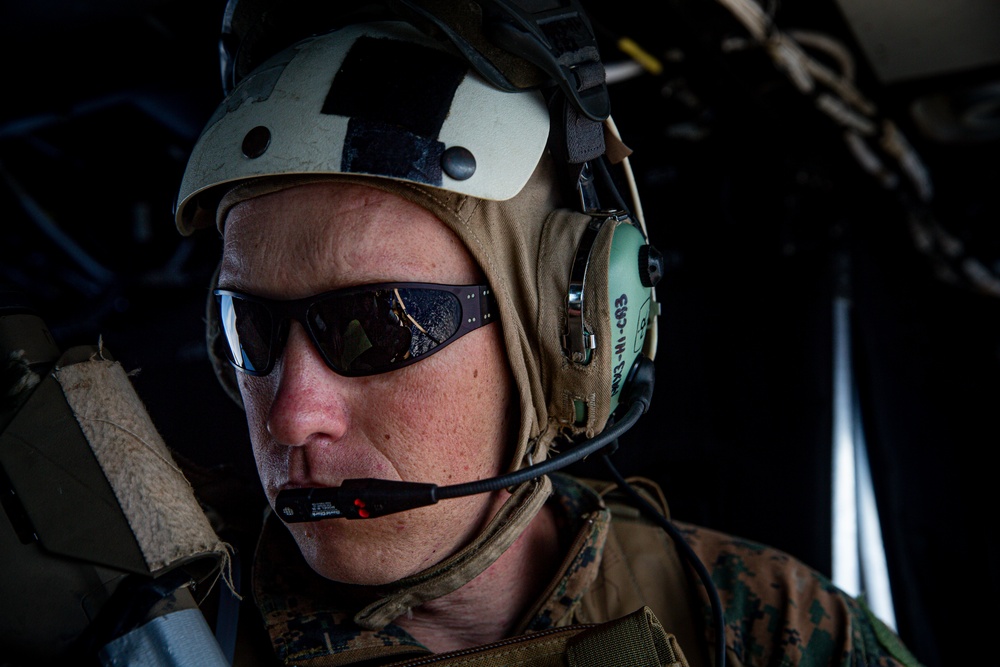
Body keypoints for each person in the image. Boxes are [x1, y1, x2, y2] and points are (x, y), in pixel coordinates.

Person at [173, 1, 926, 665]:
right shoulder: (156, 629)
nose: (291, 412)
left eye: (382, 324)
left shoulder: (769, 626)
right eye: (253, 326)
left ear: (563, 338)